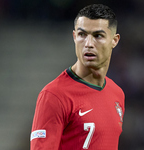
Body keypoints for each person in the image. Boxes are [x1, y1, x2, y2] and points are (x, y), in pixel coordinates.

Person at [30, 4, 125, 150]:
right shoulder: (54, 95)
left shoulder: (117, 93)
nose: (88, 44)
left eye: (98, 36)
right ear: (74, 37)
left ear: (114, 40)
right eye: (82, 35)